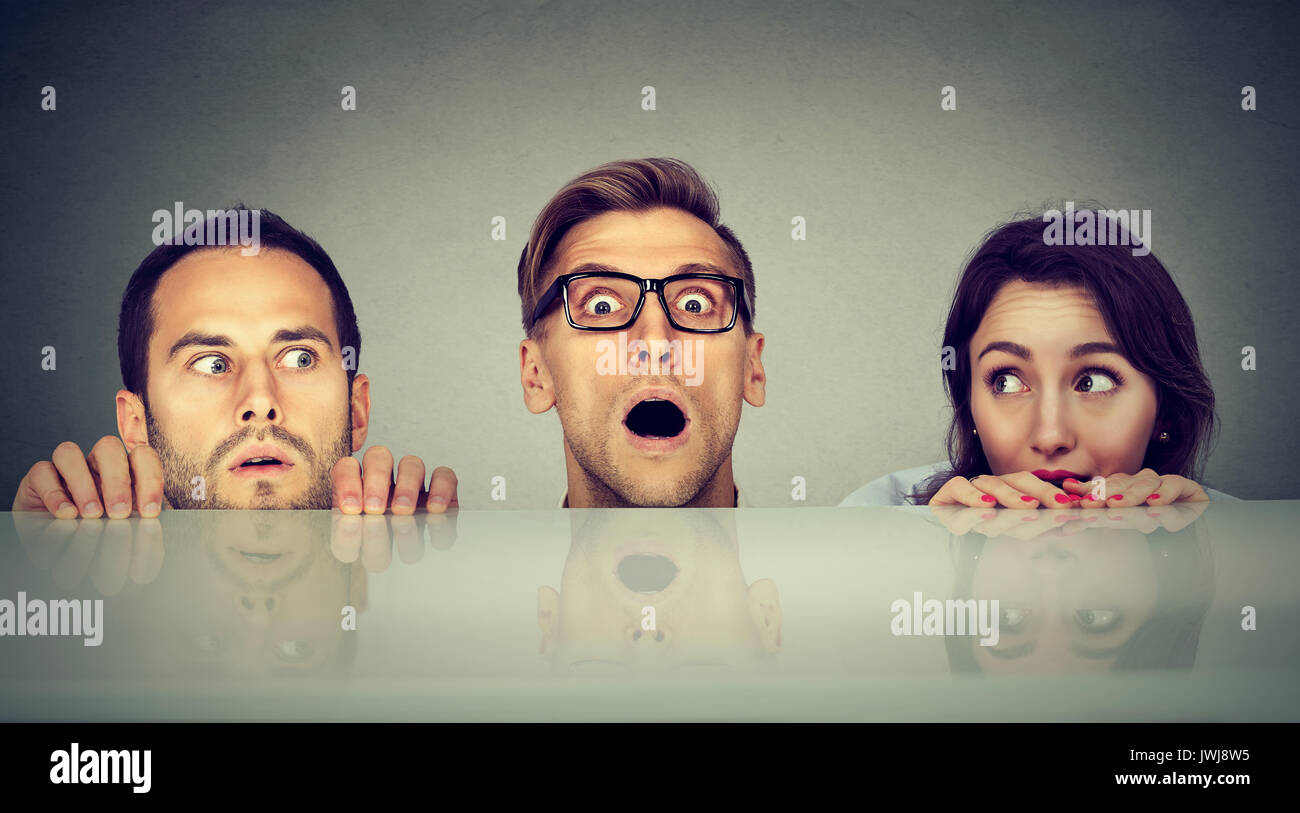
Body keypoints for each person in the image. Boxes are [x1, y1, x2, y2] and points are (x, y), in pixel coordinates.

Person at [12, 207, 457, 517]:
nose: (260, 400)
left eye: (300, 358)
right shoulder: (59, 578)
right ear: (136, 423)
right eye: (212, 364)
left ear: (356, 410)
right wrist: (30, 566)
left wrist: (421, 570)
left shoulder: (416, 582)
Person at [841, 212, 1233, 508]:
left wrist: (1195, 555)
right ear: (970, 406)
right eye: (1006, 381)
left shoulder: (1247, 540)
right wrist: (941, 561)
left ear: (1163, 411)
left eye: (1093, 381)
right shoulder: (878, 517)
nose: (1050, 437)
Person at [517, 158, 766, 507]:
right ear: (536, 376)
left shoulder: (857, 555)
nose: (654, 341)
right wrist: (423, 550)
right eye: (601, 306)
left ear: (752, 368)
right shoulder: (442, 553)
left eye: (695, 304)